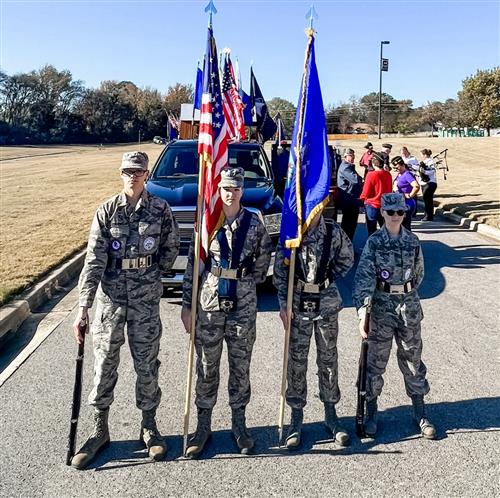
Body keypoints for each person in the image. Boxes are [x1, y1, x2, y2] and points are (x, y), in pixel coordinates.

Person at [71, 152, 180, 469]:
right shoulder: (106, 211)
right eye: (127, 171)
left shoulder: (160, 209)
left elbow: (171, 247)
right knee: (104, 365)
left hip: (145, 302)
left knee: (147, 365)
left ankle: (149, 427)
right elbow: (93, 262)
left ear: (146, 174)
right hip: (111, 303)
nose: (132, 175)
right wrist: (83, 307)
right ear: (121, 174)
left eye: (138, 170)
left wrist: (152, 275)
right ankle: (98, 429)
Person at [181, 166, 272, 458]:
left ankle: (239, 425)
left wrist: (244, 282)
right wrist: (187, 305)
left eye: (235, 188)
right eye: (225, 188)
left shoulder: (255, 224)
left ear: (242, 191)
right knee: (207, 366)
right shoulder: (209, 222)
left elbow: (263, 260)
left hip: (242, 305)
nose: (229, 193)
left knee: (240, 366)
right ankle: (202, 426)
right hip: (209, 303)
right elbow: (194, 266)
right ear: (218, 190)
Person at [352, 193, 435, 440]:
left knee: (413, 358)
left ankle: (420, 412)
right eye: (391, 212)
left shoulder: (412, 240)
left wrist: (405, 292)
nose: (396, 217)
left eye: (400, 212)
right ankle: (371, 413)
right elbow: (364, 278)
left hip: (408, 306)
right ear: (382, 214)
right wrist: (362, 314)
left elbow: (419, 273)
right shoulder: (375, 242)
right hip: (381, 307)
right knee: (376, 361)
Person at [273, 212, 354, 449]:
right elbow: (280, 271)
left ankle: (331, 415)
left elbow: (346, 259)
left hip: (326, 303)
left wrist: (325, 279)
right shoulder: (292, 230)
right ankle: (296, 418)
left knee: (328, 359)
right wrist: (283, 303)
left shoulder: (332, 231)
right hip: (297, 302)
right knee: (296, 361)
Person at [359, 152, 393, 236]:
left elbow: (366, 192)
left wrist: (361, 200)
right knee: (385, 229)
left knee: (372, 230)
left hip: (372, 204)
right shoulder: (388, 174)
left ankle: (373, 247)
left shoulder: (371, 175)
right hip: (385, 205)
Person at [337, 148, 363, 242]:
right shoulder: (346, 167)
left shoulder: (349, 166)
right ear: (345, 156)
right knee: (349, 225)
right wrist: (361, 179)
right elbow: (356, 180)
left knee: (350, 225)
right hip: (349, 199)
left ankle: (347, 243)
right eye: (350, 155)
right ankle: (346, 244)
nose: (353, 157)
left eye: (353, 155)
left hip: (351, 199)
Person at [391, 156, 420, 231]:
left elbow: (416, 186)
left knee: (405, 226)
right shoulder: (400, 174)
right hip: (400, 203)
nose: (396, 169)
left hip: (407, 204)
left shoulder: (407, 174)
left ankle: (407, 242)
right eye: (394, 168)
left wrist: (410, 195)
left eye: (397, 167)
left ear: (402, 165)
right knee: (400, 226)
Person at [419, 149, 438, 221]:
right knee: (426, 200)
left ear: (425, 155)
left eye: (421, 154)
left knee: (428, 200)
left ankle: (429, 216)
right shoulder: (424, 162)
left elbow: (432, 171)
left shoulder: (431, 161)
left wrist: (424, 171)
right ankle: (428, 215)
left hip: (430, 183)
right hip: (424, 183)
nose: (421, 156)